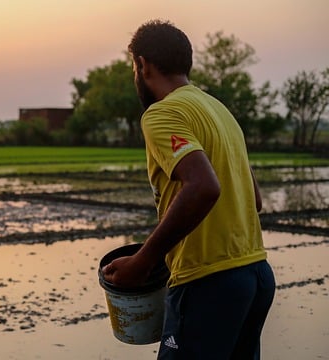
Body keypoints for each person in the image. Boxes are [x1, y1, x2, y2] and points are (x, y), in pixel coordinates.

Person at [101, 20, 276, 359]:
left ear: (141, 65)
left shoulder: (162, 114)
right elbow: (253, 200)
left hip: (208, 283)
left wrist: (143, 261)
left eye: (133, 68)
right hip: (256, 276)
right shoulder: (220, 111)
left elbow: (204, 187)